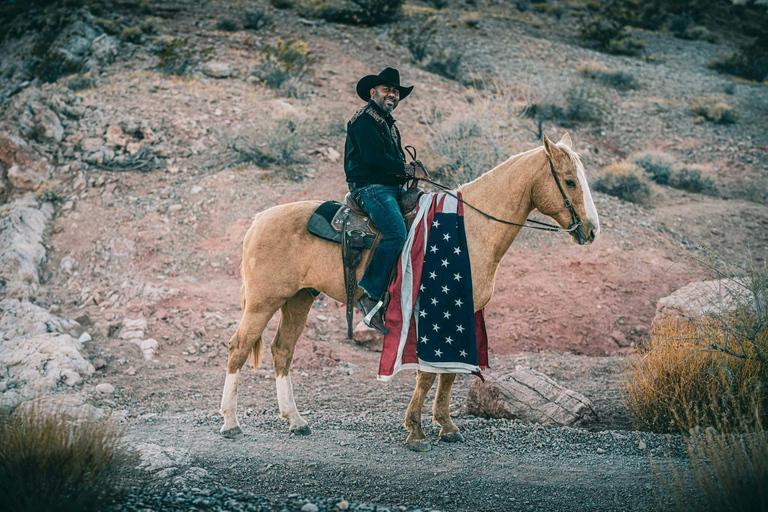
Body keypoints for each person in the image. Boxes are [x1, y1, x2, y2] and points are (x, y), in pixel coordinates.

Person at [344, 67, 427, 335]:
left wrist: (409, 168)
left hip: (388, 188)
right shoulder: (364, 120)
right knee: (395, 232)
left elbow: (391, 162)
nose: (392, 94)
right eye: (387, 89)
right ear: (373, 92)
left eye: (396, 91)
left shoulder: (387, 122)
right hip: (370, 189)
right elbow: (374, 160)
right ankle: (370, 293)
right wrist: (407, 171)